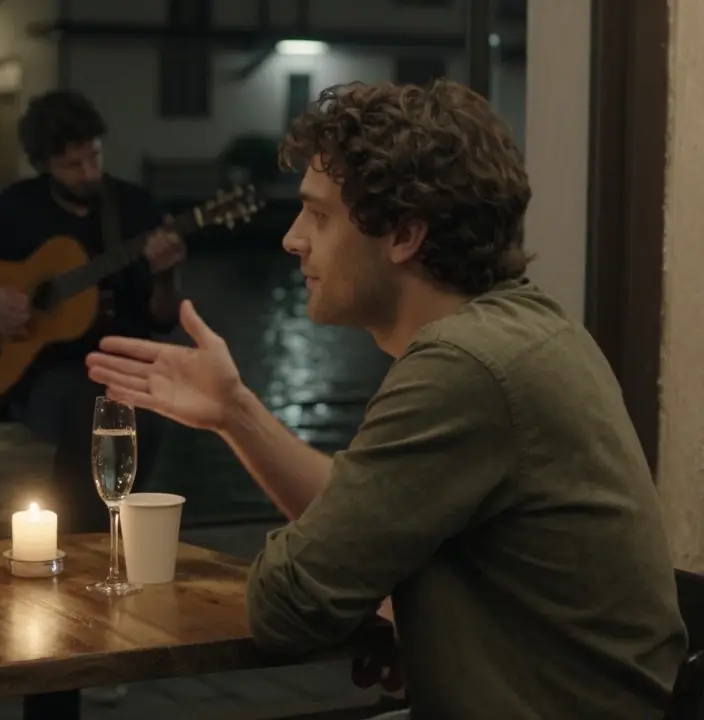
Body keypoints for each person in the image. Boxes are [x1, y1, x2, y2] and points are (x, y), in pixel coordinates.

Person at [85, 80, 686, 718]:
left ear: (403, 236)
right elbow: (369, 519)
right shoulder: (530, 326)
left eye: (318, 215)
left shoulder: (462, 368)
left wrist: (385, 590)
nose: (292, 239)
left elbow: (289, 606)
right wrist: (235, 411)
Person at [0, 90, 186, 534]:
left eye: (94, 157)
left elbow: (163, 318)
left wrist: (165, 276)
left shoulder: (135, 209)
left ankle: (109, 536)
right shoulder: (18, 207)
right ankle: (85, 541)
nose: (89, 172)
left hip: (123, 365)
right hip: (40, 371)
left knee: (141, 412)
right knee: (91, 407)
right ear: (44, 165)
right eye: (72, 165)